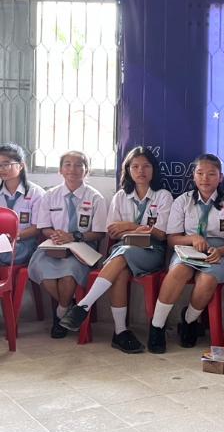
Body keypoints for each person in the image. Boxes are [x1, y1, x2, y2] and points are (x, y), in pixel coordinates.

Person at [59, 147, 173, 353]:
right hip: (124, 247)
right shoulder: (121, 196)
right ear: (127, 170)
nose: (140, 171)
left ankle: (83, 305)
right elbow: (113, 231)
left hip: (152, 251)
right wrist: (138, 229)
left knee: (122, 254)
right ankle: (120, 332)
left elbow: (161, 233)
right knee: (120, 269)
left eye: (146, 166)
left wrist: (128, 225)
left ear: (154, 169)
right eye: (135, 166)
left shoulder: (163, 196)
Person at [147, 153, 224, 353]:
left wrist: (220, 251)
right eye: (200, 173)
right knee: (178, 271)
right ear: (193, 175)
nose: (205, 178)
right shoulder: (183, 201)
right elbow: (172, 239)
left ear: (220, 177)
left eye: (211, 174)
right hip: (187, 248)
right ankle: (156, 326)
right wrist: (192, 239)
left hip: (219, 252)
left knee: (207, 279)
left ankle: (189, 321)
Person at [28, 150, 106, 338]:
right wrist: (56, 235)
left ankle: (60, 313)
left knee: (69, 276)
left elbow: (99, 233)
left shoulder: (95, 198)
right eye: (68, 164)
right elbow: (44, 227)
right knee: (45, 273)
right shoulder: (50, 195)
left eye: (79, 165)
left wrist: (74, 236)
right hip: (54, 247)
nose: (73, 169)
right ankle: (70, 307)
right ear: (60, 170)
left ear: (86, 170)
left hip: (83, 249)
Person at [0, 143, 45, 266]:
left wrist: (14, 236)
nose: (1, 169)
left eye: (6, 164)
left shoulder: (36, 193)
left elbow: (37, 228)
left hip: (25, 244)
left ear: (20, 165)